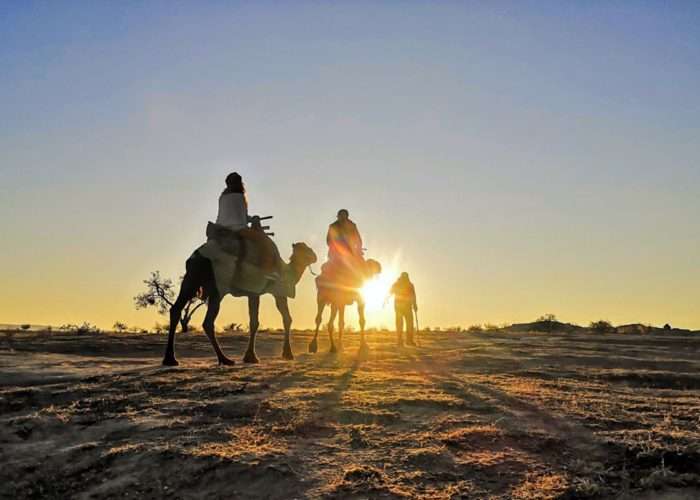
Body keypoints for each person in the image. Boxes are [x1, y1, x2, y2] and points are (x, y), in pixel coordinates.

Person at [214, 172, 278, 279]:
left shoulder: (222, 197)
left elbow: (227, 214)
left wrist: (251, 218)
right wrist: (254, 219)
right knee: (265, 241)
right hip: (237, 228)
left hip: (220, 228)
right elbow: (242, 217)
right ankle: (267, 271)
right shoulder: (240, 196)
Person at [387, 272, 418, 347]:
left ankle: (403, 341)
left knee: (401, 323)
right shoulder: (409, 284)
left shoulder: (398, 283)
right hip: (404, 306)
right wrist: (414, 305)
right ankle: (406, 341)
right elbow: (413, 296)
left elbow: (390, 292)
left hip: (400, 306)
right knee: (407, 323)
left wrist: (414, 305)